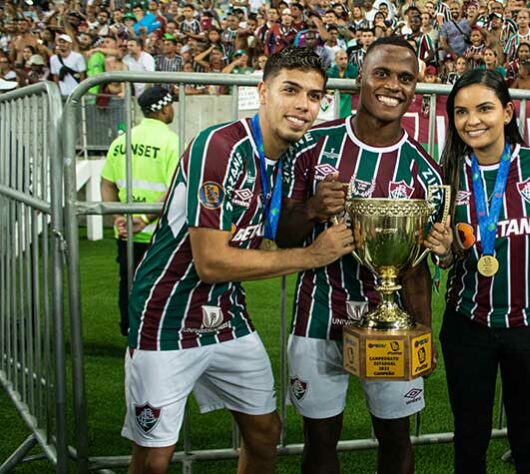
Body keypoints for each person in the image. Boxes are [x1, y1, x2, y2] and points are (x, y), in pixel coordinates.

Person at [123, 48, 354, 474]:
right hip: (167, 316)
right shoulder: (220, 145)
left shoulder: (285, 160)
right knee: (155, 457)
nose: (304, 104)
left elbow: (261, 241)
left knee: (265, 433)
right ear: (262, 92)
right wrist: (310, 256)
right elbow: (210, 262)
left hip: (227, 315)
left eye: (315, 95)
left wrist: (314, 213)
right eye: (291, 90)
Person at [275, 36, 443, 474]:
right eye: (382, 73)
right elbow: (283, 234)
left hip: (393, 326)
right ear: (359, 79)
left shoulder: (423, 170)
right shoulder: (313, 145)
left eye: (405, 78)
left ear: (415, 89)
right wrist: (312, 208)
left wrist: (424, 332)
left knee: (395, 438)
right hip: (317, 316)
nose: (393, 86)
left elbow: (417, 269)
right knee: (320, 440)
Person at [424, 68, 530, 474]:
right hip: (469, 325)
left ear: (508, 112)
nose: (473, 121)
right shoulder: (446, 175)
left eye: (484, 108)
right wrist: (445, 253)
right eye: (462, 112)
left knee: (528, 436)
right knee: (470, 436)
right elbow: (446, 257)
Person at [101, 86, 180, 337]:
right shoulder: (171, 141)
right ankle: (154, 332)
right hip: (157, 230)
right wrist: (144, 218)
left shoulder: (121, 141)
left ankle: (130, 328)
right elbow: (174, 187)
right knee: (160, 283)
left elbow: (107, 183)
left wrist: (118, 217)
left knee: (128, 281)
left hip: (125, 230)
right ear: (165, 108)